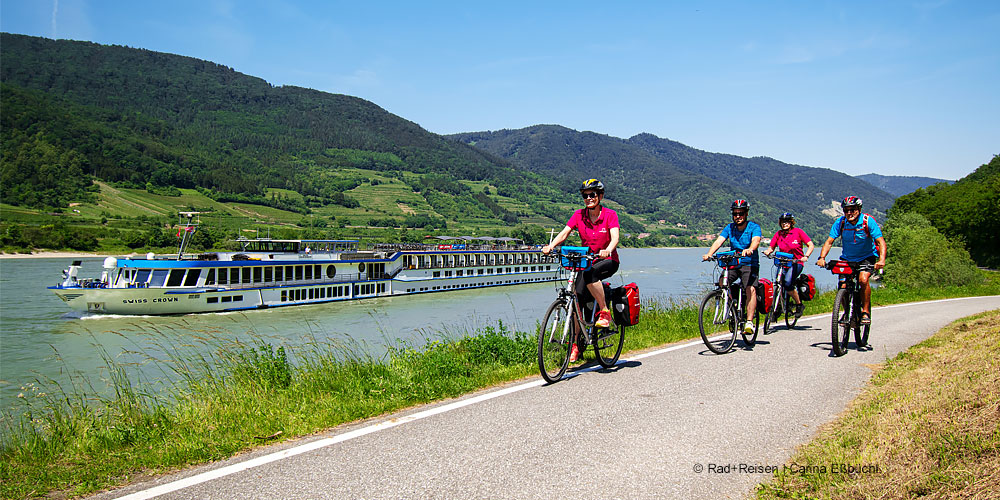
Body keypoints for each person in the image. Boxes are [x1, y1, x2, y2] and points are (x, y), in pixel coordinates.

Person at [542, 178, 621, 362]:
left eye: (592, 195)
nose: (589, 198)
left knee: (589, 274)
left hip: (607, 260)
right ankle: (576, 344)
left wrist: (608, 249)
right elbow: (565, 232)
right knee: (576, 297)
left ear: (600, 196)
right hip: (586, 261)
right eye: (585, 196)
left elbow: (615, 237)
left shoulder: (610, 215)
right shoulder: (579, 215)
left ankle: (604, 311)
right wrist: (551, 246)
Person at [816, 196, 887, 325]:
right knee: (843, 284)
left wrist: (881, 260)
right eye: (846, 210)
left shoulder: (867, 221)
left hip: (866, 257)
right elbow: (829, 241)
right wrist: (822, 258)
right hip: (848, 258)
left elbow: (880, 241)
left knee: (863, 279)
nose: (849, 213)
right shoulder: (841, 222)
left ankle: (865, 311)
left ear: (859, 209)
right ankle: (846, 312)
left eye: (852, 209)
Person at [702, 199, 762, 335]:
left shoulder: (753, 227)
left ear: (746, 213)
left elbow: (756, 240)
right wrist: (709, 254)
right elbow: (719, 240)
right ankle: (732, 305)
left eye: (740, 213)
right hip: (734, 263)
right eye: (735, 214)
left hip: (749, 263)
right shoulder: (729, 228)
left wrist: (750, 249)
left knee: (750, 288)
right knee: (722, 282)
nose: (738, 216)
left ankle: (749, 321)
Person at [762, 212, 814, 318]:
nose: (785, 224)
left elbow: (810, 245)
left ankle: (799, 304)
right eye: (783, 222)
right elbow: (772, 247)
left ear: (791, 223)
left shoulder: (798, 232)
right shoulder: (779, 234)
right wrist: (768, 251)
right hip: (782, 263)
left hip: (796, 262)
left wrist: (806, 256)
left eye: (787, 222)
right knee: (777, 282)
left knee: (787, 282)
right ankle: (778, 306)